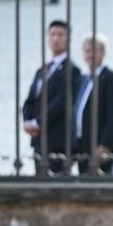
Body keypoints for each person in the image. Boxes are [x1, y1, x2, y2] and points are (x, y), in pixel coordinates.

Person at [21, 19, 82, 175]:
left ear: (68, 39)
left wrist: (38, 123)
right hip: (39, 139)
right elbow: (30, 100)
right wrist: (27, 121)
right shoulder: (42, 70)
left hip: (58, 141)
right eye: (53, 34)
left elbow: (62, 102)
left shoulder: (72, 70)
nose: (56, 38)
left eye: (60, 35)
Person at [73, 34, 113, 175]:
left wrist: (105, 144)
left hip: (101, 147)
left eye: (93, 51)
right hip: (82, 145)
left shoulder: (111, 77)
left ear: (102, 52)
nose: (89, 55)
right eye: (87, 51)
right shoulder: (84, 79)